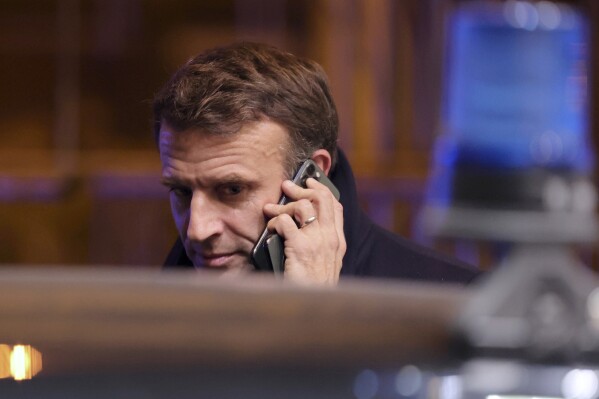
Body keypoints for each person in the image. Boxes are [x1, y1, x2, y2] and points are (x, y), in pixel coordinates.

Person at [153, 42, 478, 285]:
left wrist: (312, 313)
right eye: (181, 191)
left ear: (313, 177)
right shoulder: (153, 315)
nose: (197, 230)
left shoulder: (452, 301)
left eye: (233, 189)